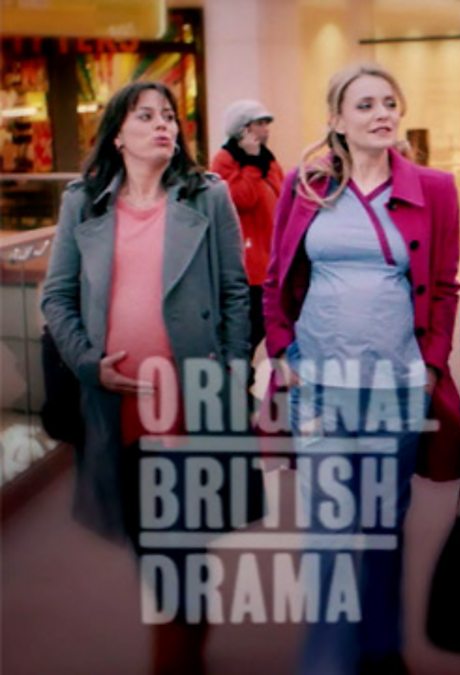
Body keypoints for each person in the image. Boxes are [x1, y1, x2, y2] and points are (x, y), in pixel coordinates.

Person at [41, 80, 251, 675]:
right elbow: (57, 297)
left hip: (192, 397)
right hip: (117, 405)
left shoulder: (207, 196)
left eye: (169, 116)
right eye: (146, 116)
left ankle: (176, 654)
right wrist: (89, 363)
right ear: (117, 134)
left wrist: (230, 371)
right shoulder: (84, 202)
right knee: (148, 535)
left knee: (176, 537)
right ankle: (188, 623)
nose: (164, 125)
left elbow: (236, 293)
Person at [263, 62, 460, 675]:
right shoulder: (307, 184)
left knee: (381, 529)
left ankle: (381, 649)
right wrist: (282, 352)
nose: (382, 115)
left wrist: (431, 368)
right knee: (326, 532)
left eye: (389, 103)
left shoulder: (434, 188)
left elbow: (444, 287)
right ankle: (327, 659)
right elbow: (276, 275)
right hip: (317, 387)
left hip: (394, 390)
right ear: (336, 120)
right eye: (366, 105)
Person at [211, 98, 283, 351]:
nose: (266, 129)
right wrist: (251, 164)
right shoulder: (224, 160)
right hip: (248, 265)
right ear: (243, 129)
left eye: (266, 123)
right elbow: (241, 199)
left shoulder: (268, 160)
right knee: (249, 330)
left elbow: (281, 194)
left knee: (266, 324)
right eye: (260, 123)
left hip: (271, 258)